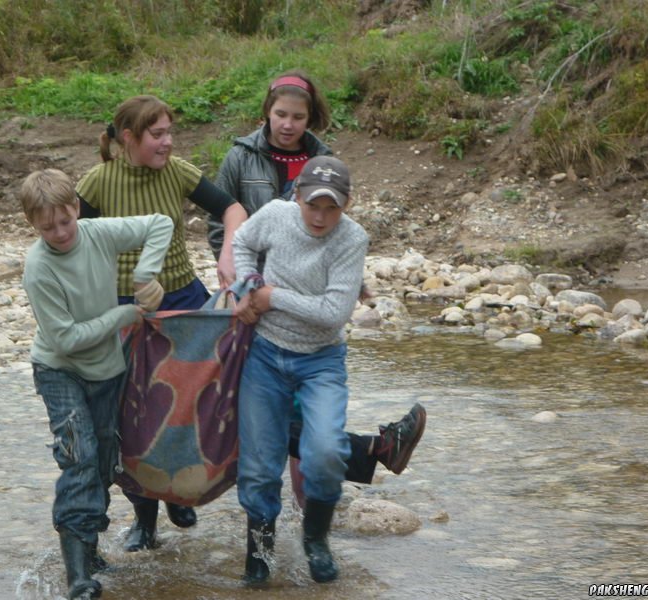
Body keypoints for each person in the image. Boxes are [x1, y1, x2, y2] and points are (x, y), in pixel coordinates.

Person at [209, 70, 426, 500]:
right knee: (245, 404)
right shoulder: (239, 157)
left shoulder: (322, 159)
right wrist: (239, 278)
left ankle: (312, 507)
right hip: (251, 291)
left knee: (274, 408)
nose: (288, 124)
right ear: (266, 113)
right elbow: (222, 222)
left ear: (311, 119)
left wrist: (349, 278)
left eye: (298, 117)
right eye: (280, 114)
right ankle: (372, 451)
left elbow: (334, 233)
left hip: (297, 298)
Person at [74, 94, 248, 553]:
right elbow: (70, 243)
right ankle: (145, 521)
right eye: (158, 134)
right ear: (129, 138)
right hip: (124, 310)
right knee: (135, 416)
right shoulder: (98, 181)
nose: (168, 142)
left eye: (171, 132)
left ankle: (180, 491)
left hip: (184, 301)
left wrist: (228, 252)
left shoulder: (178, 171)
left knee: (191, 404)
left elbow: (232, 209)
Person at [20, 168, 174, 600]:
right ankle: (78, 578)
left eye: (65, 220)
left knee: (106, 458)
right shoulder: (38, 267)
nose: (60, 232)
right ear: (33, 224)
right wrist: (126, 314)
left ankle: (89, 549)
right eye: (47, 227)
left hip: (107, 368)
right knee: (79, 454)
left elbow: (160, 222)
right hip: (59, 369)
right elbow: (66, 339)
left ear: (75, 208)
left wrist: (145, 275)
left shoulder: (98, 232)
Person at [232, 156, 374, 585]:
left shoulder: (352, 239)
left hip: (321, 361)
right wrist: (250, 282)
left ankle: (316, 538)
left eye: (331, 207)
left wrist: (272, 295)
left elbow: (334, 313)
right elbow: (240, 241)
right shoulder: (275, 216)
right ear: (296, 197)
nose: (320, 216)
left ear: (347, 205)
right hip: (265, 356)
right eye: (313, 204)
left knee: (327, 452)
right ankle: (260, 552)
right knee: (258, 466)